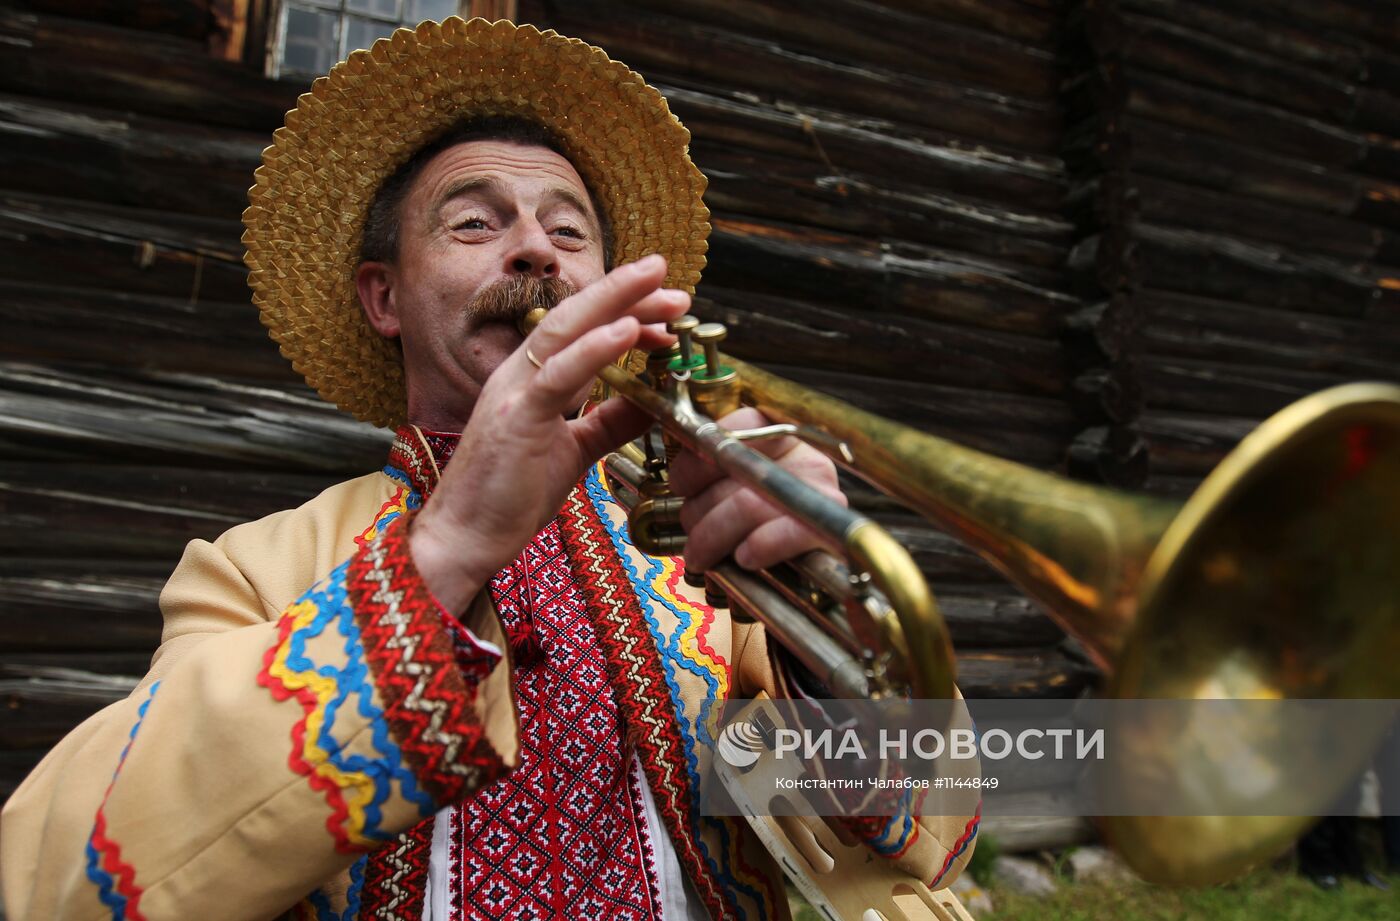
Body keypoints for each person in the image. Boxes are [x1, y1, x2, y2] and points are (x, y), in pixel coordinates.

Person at [0, 18, 979, 921]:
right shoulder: (250, 571)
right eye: (474, 224)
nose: (533, 254)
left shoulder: (709, 562)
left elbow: (928, 831)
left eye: (569, 233)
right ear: (382, 298)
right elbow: (64, 882)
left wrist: (823, 617)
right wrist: (445, 552)